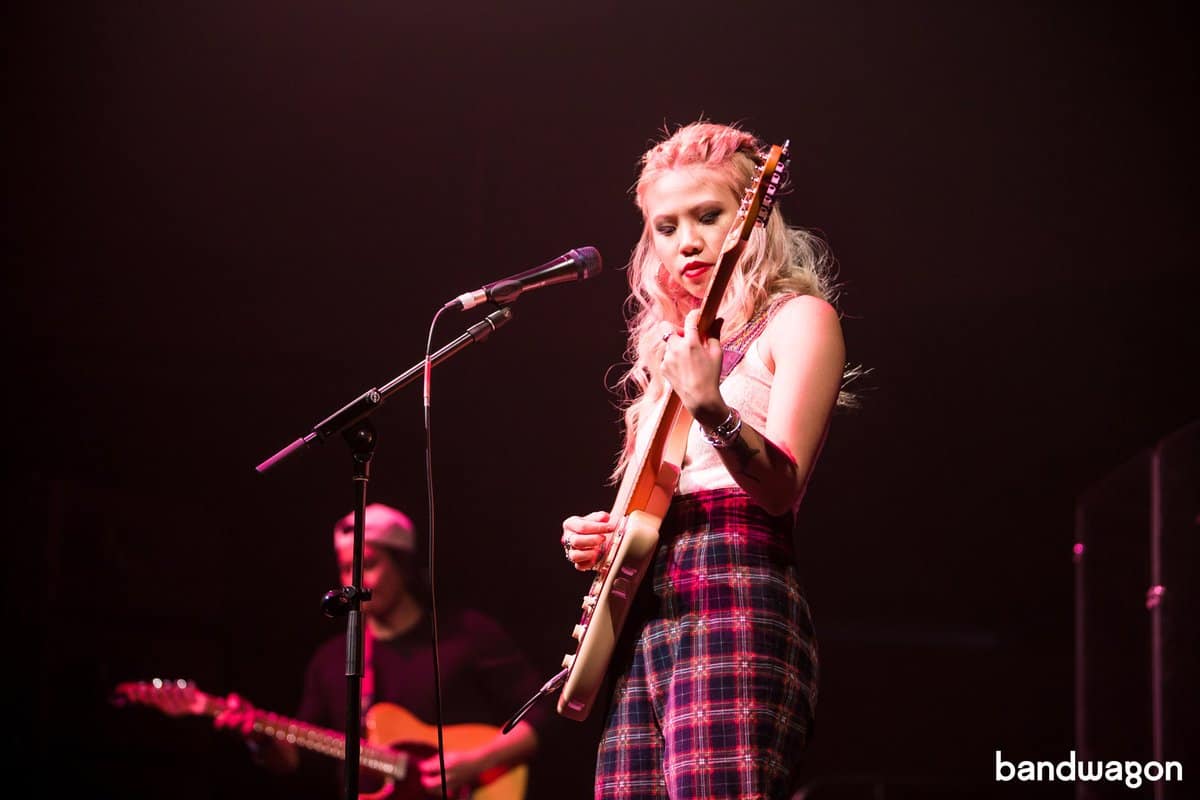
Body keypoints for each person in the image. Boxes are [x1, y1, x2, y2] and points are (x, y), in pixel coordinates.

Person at [560, 121, 848, 799]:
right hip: (646, 611)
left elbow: (779, 487)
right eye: (666, 225)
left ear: (752, 218)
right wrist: (603, 537)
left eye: (708, 216)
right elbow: (656, 502)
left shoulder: (799, 320)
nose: (685, 240)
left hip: (736, 592)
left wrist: (711, 404)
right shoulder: (668, 349)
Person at [217, 502, 545, 797]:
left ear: (402, 566)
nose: (355, 580)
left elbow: (544, 713)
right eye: (347, 568)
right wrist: (260, 738)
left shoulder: (469, 633)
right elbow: (296, 759)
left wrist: (476, 762)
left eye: (370, 564)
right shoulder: (330, 660)